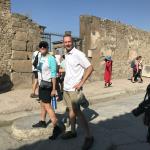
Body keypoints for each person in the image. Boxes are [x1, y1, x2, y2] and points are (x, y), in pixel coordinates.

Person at [61, 34, 94, 150]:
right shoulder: (67, 54)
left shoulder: (78, 54)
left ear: (72, 42)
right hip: (66, 88)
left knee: (78, 112)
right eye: (65, 42)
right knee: (70, 109)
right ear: (63, 43)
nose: (67, 44)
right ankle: (73, 131)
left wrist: (81, 82)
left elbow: (90, 67)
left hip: (75, 89)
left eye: (69, 41)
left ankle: (89, 137)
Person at [32, 41, 65, 140]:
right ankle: (42, 121)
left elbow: (54, 74)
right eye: (40, 46)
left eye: (44, 46)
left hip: (48, 85)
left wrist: (54, 89)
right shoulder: (40, 57)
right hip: (42, 84)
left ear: (47, 48)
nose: (42, 48)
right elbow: (38, 70)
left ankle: (56, 127)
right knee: (42, 103)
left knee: (47, 106)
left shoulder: (51, 59)